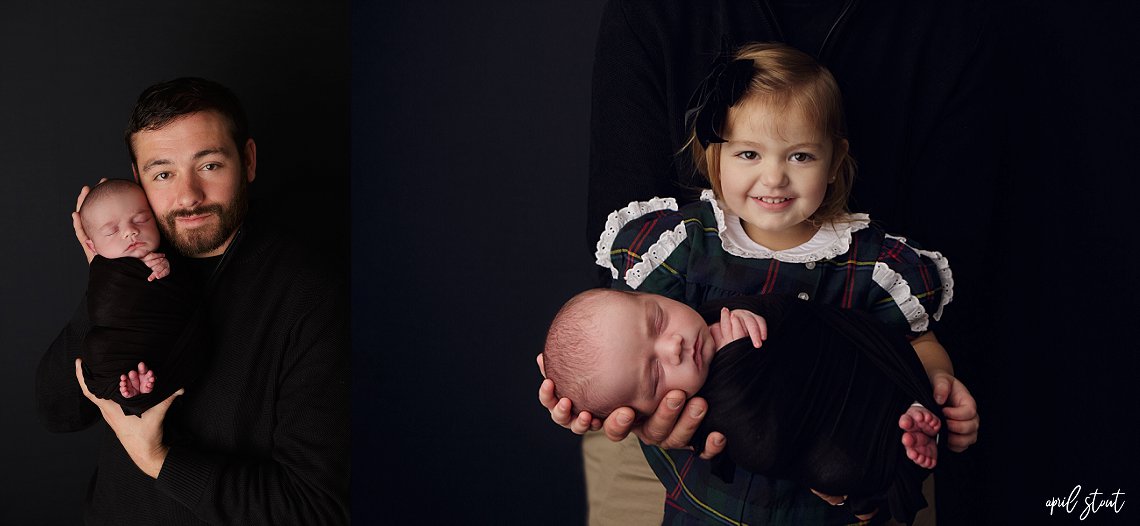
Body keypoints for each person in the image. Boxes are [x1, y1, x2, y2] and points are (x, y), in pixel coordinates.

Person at [542, 42, 980, 524]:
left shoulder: (870, 263)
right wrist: (593, 390)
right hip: (707, 505)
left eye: (800, 156)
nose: (773, 177)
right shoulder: (687, 248)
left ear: (835, 162)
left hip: (829, 502)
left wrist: (937, 381)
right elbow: (626, 341)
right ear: (715, 158)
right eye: (749, 153)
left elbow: (917, 342)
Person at [35, 77, 349, 524]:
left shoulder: (314, 298)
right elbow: (59, 411)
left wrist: (158, 459)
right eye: (163, 173)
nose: (187, 196)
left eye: (210, 165)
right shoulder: (140, 268)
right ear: (139, 179)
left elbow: (317, 510)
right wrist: (108, 285)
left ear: (248, 160)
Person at [541, 289, 944, 523]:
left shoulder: (719, 313)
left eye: (658, 320)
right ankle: (899, 442)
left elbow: (803, 325)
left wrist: (755, 318)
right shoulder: (715, 408)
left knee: (868, 371)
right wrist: (743, 361)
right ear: (647, 411)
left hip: (861, 370)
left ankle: (907, 410)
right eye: (655, 375)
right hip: (821, 450)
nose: (674, 345)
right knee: (839, 464)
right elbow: (763, 442)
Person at [76, 178, 207, 416]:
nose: (130, 232)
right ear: (91, 246)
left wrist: (167, 268)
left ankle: (141, 385)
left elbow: (186, 293)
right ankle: (132, 388)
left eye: (141, 219)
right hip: (118, 348)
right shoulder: (104, 271)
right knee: (97, 349)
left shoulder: (173, 256)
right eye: (112, 230)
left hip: (166, 345)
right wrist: (120, 271)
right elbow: (104, 306)